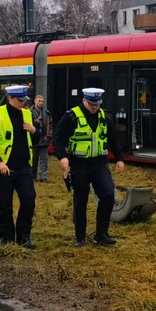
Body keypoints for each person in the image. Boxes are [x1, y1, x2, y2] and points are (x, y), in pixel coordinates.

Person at [53, 88, 125, 246]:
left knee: (108, 195)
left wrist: (119, 158)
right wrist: (62, 157)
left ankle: (101, 234)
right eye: (91, 104)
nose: (94, 107)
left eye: (97, 104)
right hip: (79, 163)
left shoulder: (104, 117)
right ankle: (80, 237)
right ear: (84, 100)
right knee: (81, 199)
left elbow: (113, 139)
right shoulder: (71, 116)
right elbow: (58, 138)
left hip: (100, 163)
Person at [0, 85, 37, 248]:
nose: (23, 103)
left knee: (29, 200)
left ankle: (24, 236)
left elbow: (37, 140)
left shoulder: (27, 114)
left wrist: (34, 130)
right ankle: (7, 238)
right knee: (5, 205)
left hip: (24, 167)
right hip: (4, 168)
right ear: (10, 98)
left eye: (24, 100)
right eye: (20, 100)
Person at [29, 94, 51, 182]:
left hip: (44, 139)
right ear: (35, 101)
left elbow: (51, 125)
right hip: (34, 139)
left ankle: (43, 177)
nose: (41, 103)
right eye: (39, 101)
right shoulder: (29, 112)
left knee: (44, 160)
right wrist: (35, 121)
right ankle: (32, 176)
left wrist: (49, 136)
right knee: (33, 160)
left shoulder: (46, 113)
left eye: (42, 101)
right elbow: (26, 124)